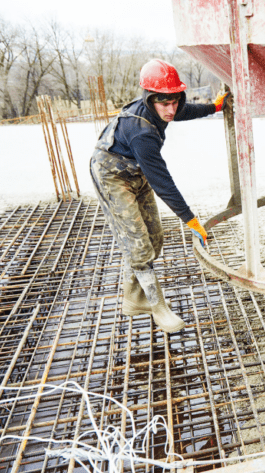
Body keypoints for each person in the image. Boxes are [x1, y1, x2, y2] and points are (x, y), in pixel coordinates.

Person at [90, 59, 231, 333]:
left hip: (135, 170)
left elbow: (184, 111)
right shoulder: (142, 132)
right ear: (150, 98)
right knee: (139, 244)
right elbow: (163, 182)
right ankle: (156, 306)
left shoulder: (162, 109)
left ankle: (133, 298)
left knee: (155, 238)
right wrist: (191, 220)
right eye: (164, 104)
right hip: (112, 175)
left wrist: (214, 107)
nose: (171, 109)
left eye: (174, 101)